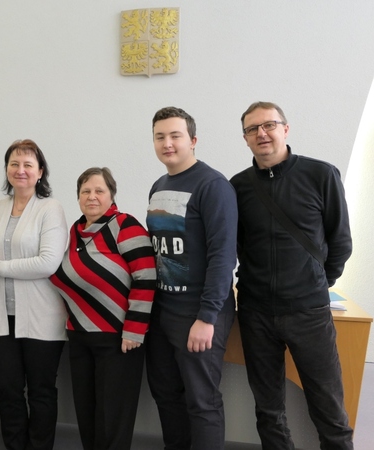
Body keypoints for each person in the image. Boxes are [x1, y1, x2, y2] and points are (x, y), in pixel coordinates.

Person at [230, 101, 354, 449]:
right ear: (245, 138)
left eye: (269, 125)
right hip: (256, 312)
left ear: (285, 129)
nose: (261, 133)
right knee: (268, 410)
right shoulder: (237, 186)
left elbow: (340, 241)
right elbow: (237, 245)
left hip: (308, 312)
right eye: (252, 129)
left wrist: (315, 283)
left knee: (329, 408)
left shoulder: (321, 174)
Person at [145, 107, 238, 450]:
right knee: (166, 394)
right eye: (160, 137)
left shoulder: (213, 186)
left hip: (197, 311)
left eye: (175, 135)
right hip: (162, 309)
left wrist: (207, 316)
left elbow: (223, 256)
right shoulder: (159, 186)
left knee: (202, 401)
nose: (167, 143)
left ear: (193, 140)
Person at [50, 167, 156, 450]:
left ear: (111, 195)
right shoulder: (74, 231)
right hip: (79, 335)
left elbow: (146, 278)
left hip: (119, 338)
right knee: (87, 413)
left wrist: (134, 330)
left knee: (113, 417)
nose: (92, 197)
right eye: (85, 191)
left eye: (99, 190)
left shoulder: (124, 225)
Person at [0, 139, 68, 450]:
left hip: (41, 317)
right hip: (2, 316)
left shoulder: (50, 209)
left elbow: (48, 263)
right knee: (7, 389)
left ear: (40, 172)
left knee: (41, 390)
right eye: (14, 164)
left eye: (28, 164)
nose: (21, 170)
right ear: (7, 169)